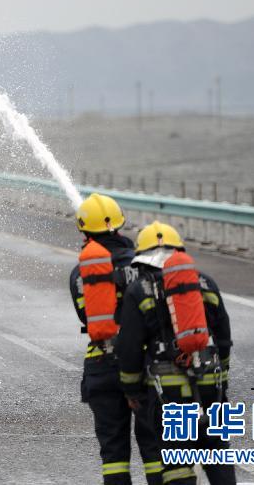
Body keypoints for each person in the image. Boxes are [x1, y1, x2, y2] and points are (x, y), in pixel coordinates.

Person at [116, 221, 235, 485]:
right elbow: (223, 337)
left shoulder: (141, 290)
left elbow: (129, 346)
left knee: (176, 464)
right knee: (217, 454)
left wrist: (132, 390)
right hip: (210, 386)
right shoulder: (205, 283)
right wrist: (222, 378)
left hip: (169, 392)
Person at [70, 194, 162, 485]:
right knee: (155, 451)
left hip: (102, 365)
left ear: (84, 230)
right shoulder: (144, 263)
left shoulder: (81, 273)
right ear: (120, 226)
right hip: (145, 365)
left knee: (114, 457)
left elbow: (87, 318)